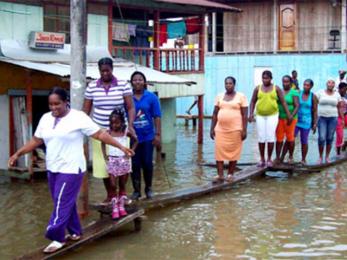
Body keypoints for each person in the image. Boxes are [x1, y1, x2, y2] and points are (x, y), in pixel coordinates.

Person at [8, 87, 134, 253]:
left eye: (57, 104)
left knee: (61, 202)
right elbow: (36, 140)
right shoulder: (46, 119)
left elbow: (100, 134)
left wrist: (121, 147)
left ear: (66, 101)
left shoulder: (78, 117)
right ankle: (75, 231)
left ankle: (57, 236)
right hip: (53, 167)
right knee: (63, 202)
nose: (53, 108)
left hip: (72, 168)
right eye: (50, 104)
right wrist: (18, 153)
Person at [82, 57, 135, 205]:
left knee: (123, 163)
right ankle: (111, 194)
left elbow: (130, 107)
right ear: (99, 71)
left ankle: (123, 192)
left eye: (107, 70)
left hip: (120, 132)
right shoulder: (92, 86)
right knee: (104, 164)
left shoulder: (123, 85)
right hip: (99, 132)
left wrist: (130, 125)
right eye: (102, 71)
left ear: (112, 69)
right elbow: (86, 109)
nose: (105, 73)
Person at [248, 70, 291, 167]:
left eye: (267, 78)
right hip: (260, 115)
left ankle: (269, 159)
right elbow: (252, 101)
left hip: (272, 115)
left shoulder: (276, 88)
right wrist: (251, 114)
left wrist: (288, 115)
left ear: (271, 79)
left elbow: (283, 102)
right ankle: (262, 159)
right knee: (261, 137)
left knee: (270, 136)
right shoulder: (257, 88)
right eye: (263, 78)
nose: (265, 80)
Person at [210, 76, 248, 182]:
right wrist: (212, 128)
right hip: (220, 129)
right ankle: (220, 175)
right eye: (226, 83)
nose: (228, 85)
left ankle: (230, 174)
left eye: (230, 83)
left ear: (234, 84)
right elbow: (215, 113)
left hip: (236, 129)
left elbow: (245, 114)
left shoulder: (241, 96)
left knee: (234, 152)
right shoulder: (219, 96)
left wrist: (244, 129)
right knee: (219, 152)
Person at [101, 109, 138, 220]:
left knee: (122, 184)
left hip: (124, 161)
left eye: (117, 123)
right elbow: (102, 142)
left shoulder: (126, 132)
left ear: (122, 122)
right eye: (112, 123)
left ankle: (121, 205)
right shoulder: (108, 132)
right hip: (112, 161)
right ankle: (114, 205)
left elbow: (136, 140)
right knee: (112, 185)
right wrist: (105, 155)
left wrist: (131, 152)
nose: (115, 125)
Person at [130, 71, 161, 200]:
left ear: (144, 82)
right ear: (131, 82)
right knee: (134, 164)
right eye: (135, 80)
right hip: (132, 138)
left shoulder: (151, 97)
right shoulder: (127, 97)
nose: (138, 82)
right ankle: (136, 191)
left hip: (148, 136)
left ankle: (148, 189)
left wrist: (158, 134)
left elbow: (157, 116)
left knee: (148, 163)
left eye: (140, 79)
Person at [316, 79, 344, 163]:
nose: (330, 84)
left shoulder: (337, 94)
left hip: (333, 118)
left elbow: (339, 107)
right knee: (321, 138)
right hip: (322, 118)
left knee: (330, 138)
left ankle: (327, 157)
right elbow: (314, 104)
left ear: (334, 85)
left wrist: (342, 119)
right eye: (329, 82)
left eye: (332, 83)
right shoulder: (320, 92)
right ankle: (320, 157)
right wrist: (314, 119)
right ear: (326, 84)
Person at [275, 75, 299, 164]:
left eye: (287, 82)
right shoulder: (279, 91)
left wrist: (291, 116)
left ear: (291, 82)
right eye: (283, 82)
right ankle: (277, 158)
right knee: (279, 138)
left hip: (291, 119)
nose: (285, 83)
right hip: (279, 118)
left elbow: (297, 106)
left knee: (290, 138)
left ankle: (290, 157)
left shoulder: (294, 92)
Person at [294, 79, 318, 164]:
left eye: (307, 85)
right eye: (304, 85)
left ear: (311, 86)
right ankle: (289, 157)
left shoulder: (313, 96)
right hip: (296, 120)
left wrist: (315, 123)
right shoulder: (298, 93)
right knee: (290, 139)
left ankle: (303, 159)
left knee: (304, 141)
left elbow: (315, 111)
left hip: (306, 122)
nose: (305, 87)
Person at [336, 82, 347, 156]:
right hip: (337, 117)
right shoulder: (335, 96)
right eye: (344, 89)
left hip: (346, 115)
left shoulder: (346, 96)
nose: (345, 91)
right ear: (339, 89)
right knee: (340, 135)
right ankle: (338, 154)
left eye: (346, 90)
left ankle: (345, 143)